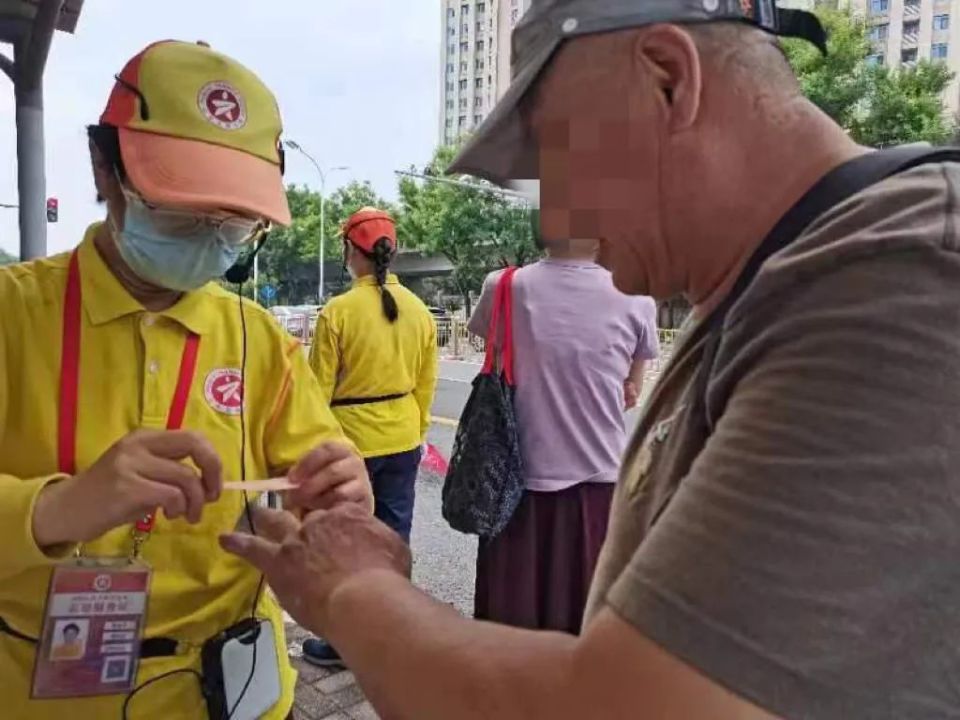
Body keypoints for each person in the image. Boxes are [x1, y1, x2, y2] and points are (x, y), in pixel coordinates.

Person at [222, 0, 960, 717]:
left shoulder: (893, 280)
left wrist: (350, 589)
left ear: (668, 78)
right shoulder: (759, 284)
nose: (553, 214)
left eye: (556, 158)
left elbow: (622, 706)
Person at [0, 40, 370, 720]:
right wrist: (59, 508)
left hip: (232, 689)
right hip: (39, 694)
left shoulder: (260, 341)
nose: (207, 236)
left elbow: (308, 491)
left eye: (232, 220)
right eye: (177, 207)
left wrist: (338, 501)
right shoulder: (13, 317)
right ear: (103, 170)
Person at [467, 238, 658, 633]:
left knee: (509, 635)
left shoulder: (503, 286)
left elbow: (500, 359)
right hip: (599, 494)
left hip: (515, 492)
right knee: (587, 631)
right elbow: (630, 392)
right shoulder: (638, 298)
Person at [303, 207, 437, 666]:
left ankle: (346, 642)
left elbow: (315, 391)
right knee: (393, 539)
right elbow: (426, 383)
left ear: (349, 252)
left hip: (350, 446)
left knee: (350, 543)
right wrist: (414, 431)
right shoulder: (420, 312)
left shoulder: (338, 312)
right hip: (402, 439)